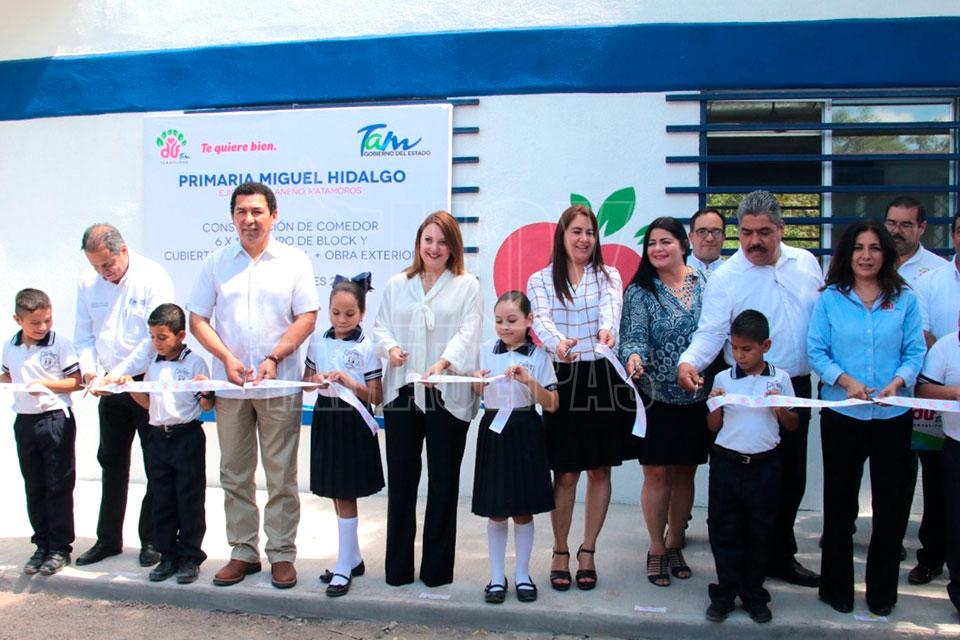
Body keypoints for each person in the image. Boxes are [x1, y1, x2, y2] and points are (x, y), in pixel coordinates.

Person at [677, 190, 823, 587]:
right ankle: (738, 569)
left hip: (793, 386)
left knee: (790, 477)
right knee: (743, 483)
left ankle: (780, 557)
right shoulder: (727, 277)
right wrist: (688, 362)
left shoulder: (806, 264)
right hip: (743, 390)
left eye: (764, 232)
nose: (754, 241)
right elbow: (711, 332)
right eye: (746, 233)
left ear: (781, 229)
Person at [188, 182, 319, 589]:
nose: (249, 219)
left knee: (281, 476)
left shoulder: (294, 261)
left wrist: (274, 357)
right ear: (232, 217)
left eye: (257, 211)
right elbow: (197, 319)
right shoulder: (216, 263)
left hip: (278, 386)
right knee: (234, 473)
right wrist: (226, 358)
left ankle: (281, 553)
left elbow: (308, 316)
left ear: (273, 216)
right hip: (231, 390)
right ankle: (244, 551)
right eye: (241, 212)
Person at [808, 219, 926, 616]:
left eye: (875, 248)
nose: (866, 256)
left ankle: (882, 593)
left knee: (891, 508)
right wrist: (846, 381)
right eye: (859, 248)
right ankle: (836, 588)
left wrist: (898, 382)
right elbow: (817, 351)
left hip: (893, 415)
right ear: (848, 254)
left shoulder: (905, 299)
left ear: (885, 254)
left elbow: (915, 352)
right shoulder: (830, 299)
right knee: (840, 505)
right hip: (844, 414)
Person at [374, 211, 481, 587]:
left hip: (445, 392)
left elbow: (468, 332)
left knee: (443, 483)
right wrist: (390, 349)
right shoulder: (397, 284)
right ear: (419, 243)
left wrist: (443, 362)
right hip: (403, 392)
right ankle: (398, 569)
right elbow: (380, 326)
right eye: (428, 240)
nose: (434, 248)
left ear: (453, 247)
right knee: (402, 481)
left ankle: (436, 571)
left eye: (442, 241)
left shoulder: (467, 285)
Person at [526, 204, 626, 592]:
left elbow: (610, 312)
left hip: (601, 375)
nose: (584, 239)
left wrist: (606, 332)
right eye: (577, 232)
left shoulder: (609, 275)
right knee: (565, 473)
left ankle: (588, 551)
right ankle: (560, 550)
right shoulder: (540, 279)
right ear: (562, 236)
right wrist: (558, 343)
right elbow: (541, 320)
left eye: (590, 232)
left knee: (600, 470)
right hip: (563, 376)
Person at [75, 223, 175, 567]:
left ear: (124, 251)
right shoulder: (88, 283)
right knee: (112, 462)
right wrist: (91, 372)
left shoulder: (152, 277)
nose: (103, 272)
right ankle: (108, 539)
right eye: (96, 266)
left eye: (107, 264)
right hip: (107, 385)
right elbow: (84, 335)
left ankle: (152, 539)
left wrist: (121, 374)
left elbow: (153, 340)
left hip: (144, 383)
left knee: (156, 463)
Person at [619, 217, 708, 587]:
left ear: (683, 244)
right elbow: (632, 336)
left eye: (665, 241)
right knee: (656, 472)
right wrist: (633, 357)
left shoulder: (704, 283)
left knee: (685, 470)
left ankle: (675, 542)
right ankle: (656, 546)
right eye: (651, 243)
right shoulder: (640, 291)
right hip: (654, 395)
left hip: (697, 394)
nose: (657, 249)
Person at [108, 304, 213, 584]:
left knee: (189, 499)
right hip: (157, 437)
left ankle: (190, 557)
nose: (157, 343)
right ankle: (167, 555)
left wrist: (205, 389)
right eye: (153, 337)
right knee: (162, 499)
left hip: (186, 436)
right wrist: (131, 387)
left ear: (181, 335)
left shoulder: (195, 364)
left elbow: (206, 405)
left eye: (163, 337)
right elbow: (149, 404)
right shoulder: (152, 364)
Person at [704, 310, 797, 624]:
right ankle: (725, 593)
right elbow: (713, 426)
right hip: (727, 462)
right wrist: (715, 403)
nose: (740, 355)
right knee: (723, 529)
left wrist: (778, 406)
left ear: (765, 345)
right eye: (735, 348)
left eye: (747, 349)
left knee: (760, 530)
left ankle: (754, 594)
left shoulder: (780, 378)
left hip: (765, 466)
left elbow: (792, 424)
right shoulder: (723, 378)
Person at [471, 291, 559, 604]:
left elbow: (552, 404)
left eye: (512, 320)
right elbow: (476, 392)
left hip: (526, 430)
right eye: (498, 321)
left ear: (528, 320)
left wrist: (528, 381)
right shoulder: (484, 351)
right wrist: (477, 381)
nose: (504, 327)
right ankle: (497, 576)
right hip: (494, 432)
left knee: (523, 510)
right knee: (496, 510)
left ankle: (523, 574)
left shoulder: (539, 356)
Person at [304, 274, 384, 597]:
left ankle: (343, 566)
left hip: (353, 420)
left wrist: (349, 382)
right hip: (326, 417)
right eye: (336, 313)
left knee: (347, 492)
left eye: (349, 314)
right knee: (336, 492)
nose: (341, 319)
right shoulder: (318, 341)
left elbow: (376, 395)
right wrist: (317, 381)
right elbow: (306, 381)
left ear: (362, 313)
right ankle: (353, 558)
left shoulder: (367, 345)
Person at [1, 288, 81, 576]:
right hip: (25, 420)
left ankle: (60, 548)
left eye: (47, 320)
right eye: (35, 323)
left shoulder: (60, 344)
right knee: (34, 485)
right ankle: (42, 544)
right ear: (18, 320)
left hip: (55, 419)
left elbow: (76, 382)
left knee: (58, 485)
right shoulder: (11, 345)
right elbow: (8, 375)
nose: (43, 327)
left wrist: (45, 385)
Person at [906, 211, 959, 586]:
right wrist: (946, 362)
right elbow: (923, 334)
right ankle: (932, 556)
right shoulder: (933, 278)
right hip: (934, 392)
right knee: (936, 476)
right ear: (953, 235)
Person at [915, 312, 960, 615]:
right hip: (955, 444)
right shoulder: (946, 346)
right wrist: (955, 392)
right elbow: (923, 390)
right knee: (956, 522)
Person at [885, 196, 946, 283]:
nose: (896, 230)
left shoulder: (939, 270)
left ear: (922, 227)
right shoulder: (871, 264)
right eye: (891, 223)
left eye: (905, 225)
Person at [687, 207, 726, 279]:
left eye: (716, 232)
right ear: (691, 237)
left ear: (723, 237)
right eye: (702, 231)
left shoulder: (734, 273)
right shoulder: (673, 272)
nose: (709, 238)